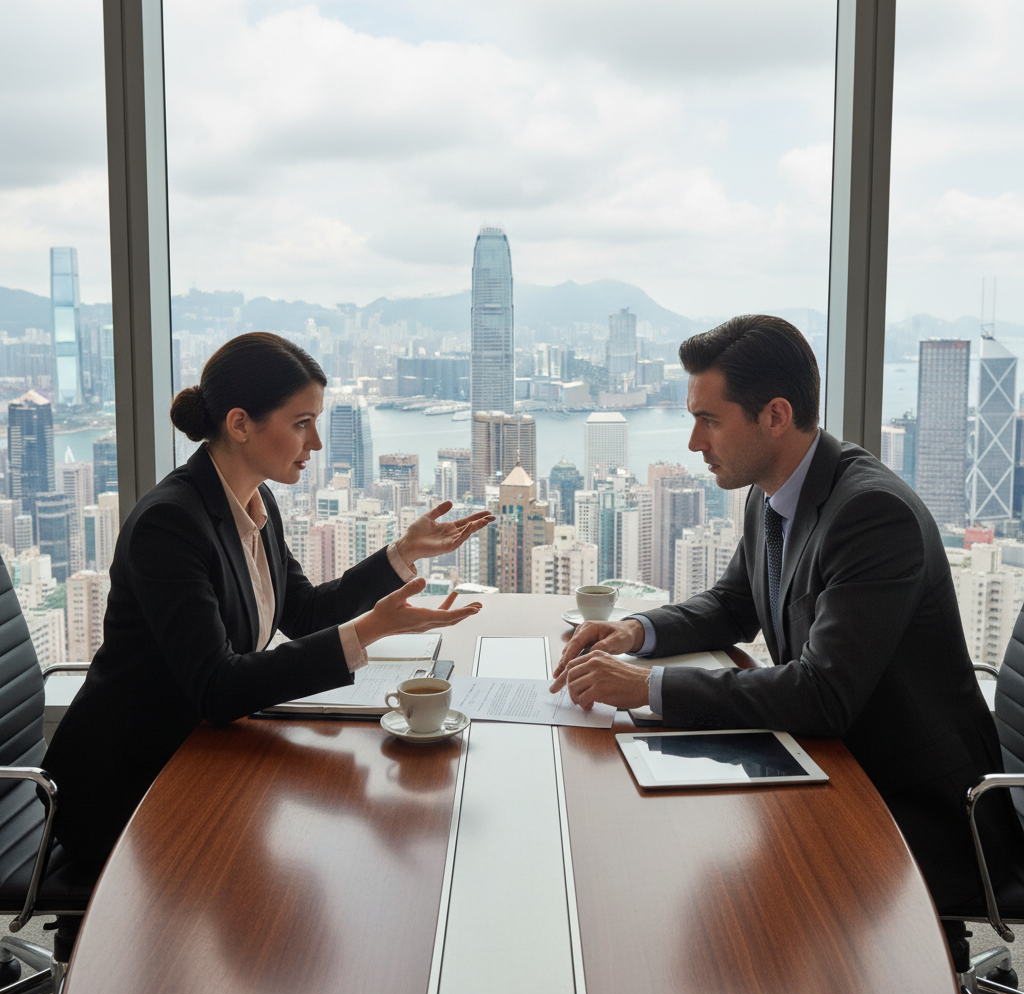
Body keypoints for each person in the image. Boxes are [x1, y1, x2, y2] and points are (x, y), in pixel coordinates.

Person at [551, 314, 1023, 947]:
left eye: (710, 421)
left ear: (775, 415)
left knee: (732, 913)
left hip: (917, 805)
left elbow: (822, 696)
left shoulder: (869, 514)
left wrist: (645, 689)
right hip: (834, 762)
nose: (695, 443)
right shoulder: (772, 489)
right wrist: (634, 632)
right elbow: (730, 605)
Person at [43, 332, 493, 870]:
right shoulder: (171, 524)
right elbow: (217, 687)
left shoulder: (255, 500)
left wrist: (400, 553)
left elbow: (304, 614)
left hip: (203, 754)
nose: (317, 443)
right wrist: (372, 628)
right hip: (130, 785)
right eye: (302, 423)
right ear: (240, 424)